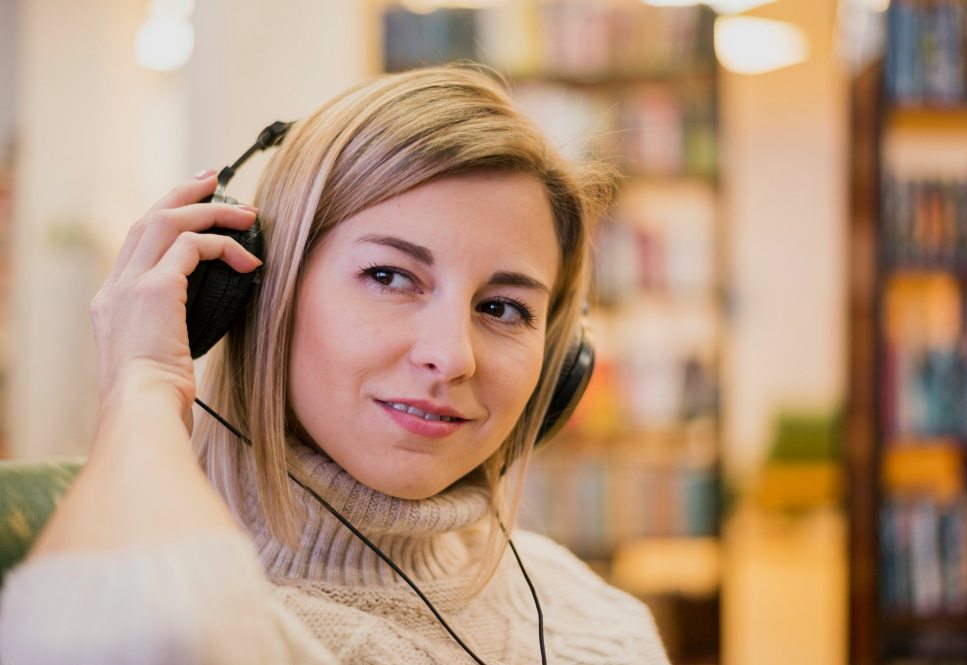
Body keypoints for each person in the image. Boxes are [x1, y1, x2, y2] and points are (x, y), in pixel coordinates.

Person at [0, 65, 670, 664]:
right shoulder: (232, 622)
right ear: (257, 293)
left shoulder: (601, 625)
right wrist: (141, 382)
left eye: (501, 308)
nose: (451, 355)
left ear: (558, 363)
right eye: (389, 274)